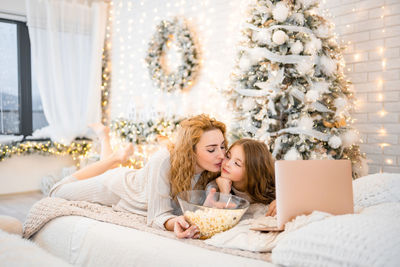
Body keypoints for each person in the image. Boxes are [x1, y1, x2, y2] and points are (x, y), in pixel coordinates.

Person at [49, 114, 227, 239]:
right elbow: (158, 216)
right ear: (191, 151)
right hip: (119, 187)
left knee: (113, 170)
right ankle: (113, 156)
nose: (221, 154)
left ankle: (111, 151)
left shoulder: (215, 165)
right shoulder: (164, 160)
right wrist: (175, 224)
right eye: (211, 149)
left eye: (223, 146)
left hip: (137, 179)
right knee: (57, 191)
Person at [206, 138, 276, 215]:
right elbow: (220, 219)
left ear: (252, 172)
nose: (227, 164)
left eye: (237, 163)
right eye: (228, 156)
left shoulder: (268, 188)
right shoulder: (213, 188)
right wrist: (224, 193)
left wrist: (279, 203)